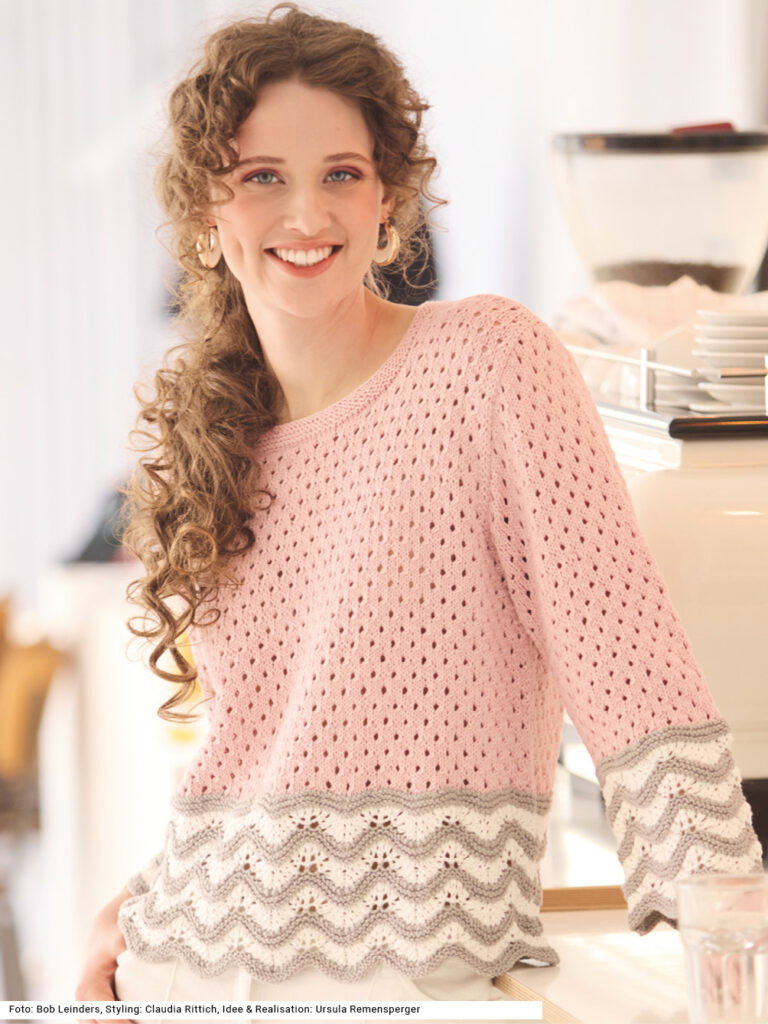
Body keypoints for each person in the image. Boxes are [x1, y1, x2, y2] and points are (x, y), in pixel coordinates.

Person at [74, 3, 765, 1022]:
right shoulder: (213, 430)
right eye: (262, 176)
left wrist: (730, 943)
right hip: (173, 968)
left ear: (388, 197)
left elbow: (631, 668)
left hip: (406, 985)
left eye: (340, 174)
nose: (305, 213)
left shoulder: (488, 363)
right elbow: (270, 754)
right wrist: (139, 901)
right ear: (207, 211)